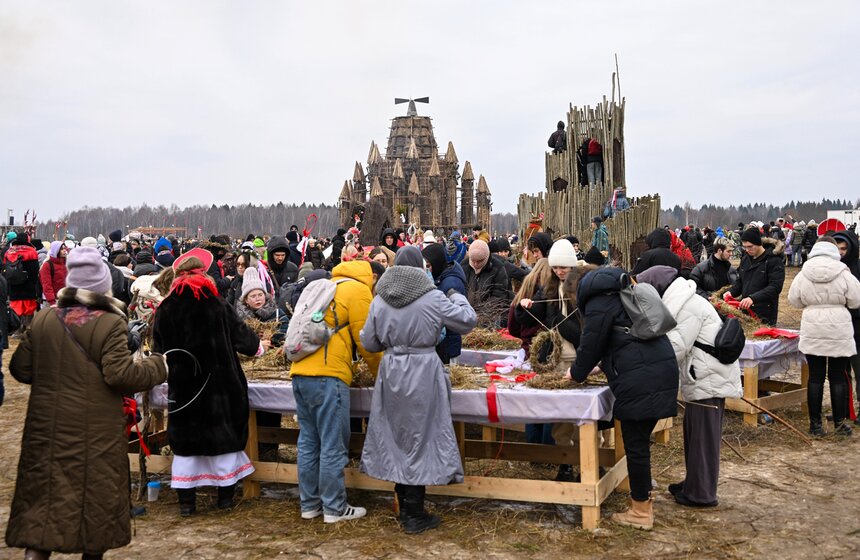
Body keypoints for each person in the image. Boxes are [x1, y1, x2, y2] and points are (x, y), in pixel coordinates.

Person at [7, 246, 167, 559]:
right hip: (94, 433)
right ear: (101, 284)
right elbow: (120, 375)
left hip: (47, 431)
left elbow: (20, 369)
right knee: (96, 509)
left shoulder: (43, 319)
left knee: (43, 510)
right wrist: (159, 366)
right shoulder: (109, 323)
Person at [359, 246, 477, 534]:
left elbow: (369, 342)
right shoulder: (433, 297)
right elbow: (467, 320)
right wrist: (457, 295)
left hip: (392, 370)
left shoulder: (380, 300)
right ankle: (413, 512)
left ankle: (404, 500)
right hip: (424, 370)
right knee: (421, 436)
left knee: (397, 434)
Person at [152, 249, 266, 516]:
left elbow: (159, 350)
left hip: (185, 387)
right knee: (223, 439)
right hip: (221, 386)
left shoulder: (166, 308)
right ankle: (225, 498)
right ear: (204, 275)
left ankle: (187, 503)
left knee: (188, 445)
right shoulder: (216, 303)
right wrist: (258, 348)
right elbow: (242, 336)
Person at [568, 266, 679, 530]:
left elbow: (591, 343)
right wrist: (602, 366)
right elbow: (624, 339)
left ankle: (641, 512)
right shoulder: (620, 292)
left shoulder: (598, 301)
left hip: (641, 379)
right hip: (661, 369)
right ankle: (641, 500)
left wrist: (576, 372)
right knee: (638, 443)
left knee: (636, 446)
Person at [636, 265, 741, 508]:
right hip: (703, 377)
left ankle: (702, 493)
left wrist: (643, 362)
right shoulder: (684, 302)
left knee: (704, 439)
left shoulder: (689, 307)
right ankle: (694, 484)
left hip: (708, 378)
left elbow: (675, 348)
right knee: (695, 435)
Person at [290, 259, 381, 523]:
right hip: (328, 376)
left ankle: (309, 505)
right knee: (332, 443)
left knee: (308, 442)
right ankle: (334, 508)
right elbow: (366, 341)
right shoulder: (359, 291)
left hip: (299, 372)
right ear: (371, 277)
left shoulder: (327, 285)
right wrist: (381, 374)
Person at [516, 240, 584, 480]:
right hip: (557, 360)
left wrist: (563, 325)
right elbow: (531, 317)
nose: (559, 271)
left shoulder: (583, 285)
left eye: (564, 267)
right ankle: (566, 465)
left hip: (580, 358)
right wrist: (523, 307)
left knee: (584, 416)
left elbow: (586, 326)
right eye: (556, 267)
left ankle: (591, 462)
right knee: (562, 418)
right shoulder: (549, 287)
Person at [788, 238, 860, 436]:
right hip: (839, 326)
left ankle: (815, 426)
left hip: (813, 326)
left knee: (816, 377)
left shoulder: (804, 272)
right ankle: (838, 424)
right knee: (837, 377)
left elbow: (793, 299)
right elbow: (856, 300)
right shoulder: (843, 271)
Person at [724, 227, 785, 326]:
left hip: (765, 313)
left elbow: (775, 287)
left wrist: (753, 298)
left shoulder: (773, 261)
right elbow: (741, 282)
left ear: (758, 244)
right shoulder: (745, 258)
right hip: (745, 311)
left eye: (750, 246)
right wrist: (731, 292)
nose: (747, 250)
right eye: (745, 247)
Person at [422, 243, 468, 364]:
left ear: (437, 263)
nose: (426, 270)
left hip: (448, 345)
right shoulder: (439, 277)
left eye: (428, 266)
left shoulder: (451, 283)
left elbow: (458, 317)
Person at [833, 230, 860, 416]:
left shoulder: (857, 266)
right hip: (838, 326)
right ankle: (844, 410)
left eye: (844, 248)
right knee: (841, 371)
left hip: (857, 326)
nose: (841, 252)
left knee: (859, 369)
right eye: (837, 248)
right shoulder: (832, 269)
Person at [463, 239, 510, 326]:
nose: (476, 264)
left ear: (487, 257)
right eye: (473, 261)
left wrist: (481, 313)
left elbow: (499, 295)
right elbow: (460, 291)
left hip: (490, 316)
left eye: (480, 261)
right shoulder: (464, 266)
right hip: (467, 315)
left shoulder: (498, 268)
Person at [4, 233, 41, 332]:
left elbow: (4, 268)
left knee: (16, 308)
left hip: (14, 286)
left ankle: (16, 330)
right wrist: (34, 284)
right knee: (29, 307)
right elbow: (34, 271)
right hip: (28, 286)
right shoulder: (31, 251)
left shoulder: (9, 252)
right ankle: (28, 328)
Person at [39, 241, 68, 307]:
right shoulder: (47, 265)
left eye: (64, 248)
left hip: (64, 299)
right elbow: (47, 285)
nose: (64, 250)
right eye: (61, 249)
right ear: (56, 250)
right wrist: (52, 302)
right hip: (52, 301)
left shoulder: (65, 263)